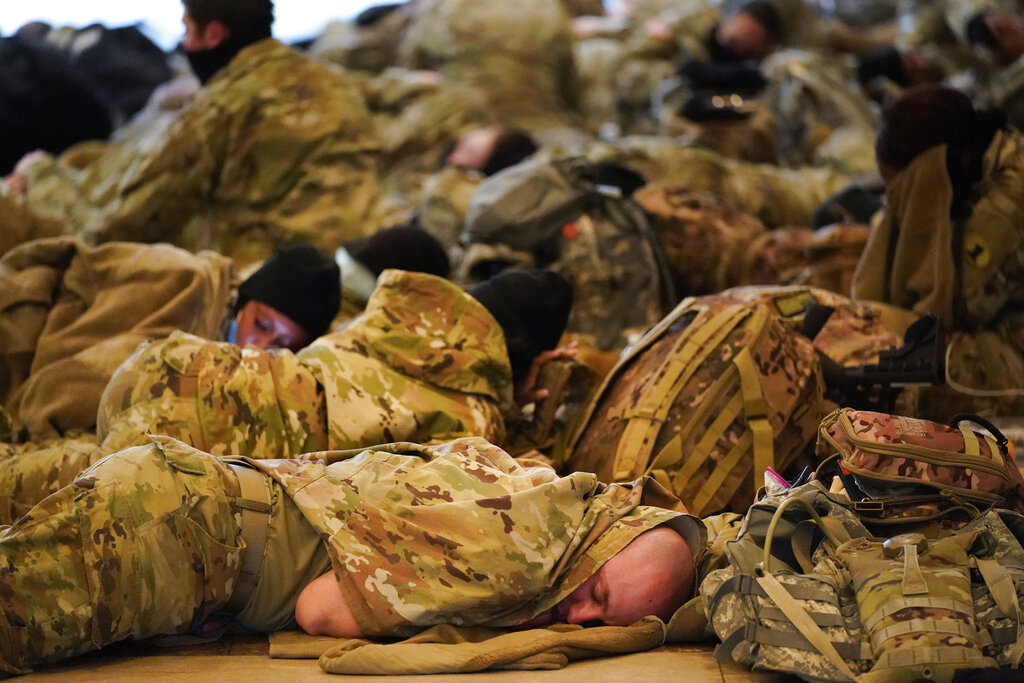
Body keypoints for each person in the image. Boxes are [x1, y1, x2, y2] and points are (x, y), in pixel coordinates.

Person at [0, 434, 703, 675]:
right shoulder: (516, 551)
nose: (577, 617)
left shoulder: (544, 494)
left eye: (599, 625)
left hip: (175, 497)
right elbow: (321, 609)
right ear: (606, 542)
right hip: (163, 535)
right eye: (597, 596)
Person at [0, 268, 576, 523]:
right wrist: (522, 412)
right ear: (536, 358)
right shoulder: (473, 410)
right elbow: (477, 488)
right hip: (199, 430)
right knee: (67, 507)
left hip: (174, 369)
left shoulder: (396, 325)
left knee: (50, 473)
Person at [9, 0, 380, 266]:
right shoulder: (334, 82)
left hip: (265, 275)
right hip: (352, 263)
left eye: (187, 29)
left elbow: (123, 223)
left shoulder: (223, 106)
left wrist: (40, 177)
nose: (185, 43)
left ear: (214, 33)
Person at [0, 240, 339, 441]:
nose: (258, 347)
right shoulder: (186, 284)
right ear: (244, 300)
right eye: (261, 323)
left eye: (282, 344)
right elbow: (68, 388)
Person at [851, 84, 1024, 417]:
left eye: (901, 194)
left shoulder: (1009, 197)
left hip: (1011, 341)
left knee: (903, 373)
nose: (893, 204)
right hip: (1000, 322)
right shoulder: (972, 165)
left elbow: (953, 311)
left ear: (931, 172)